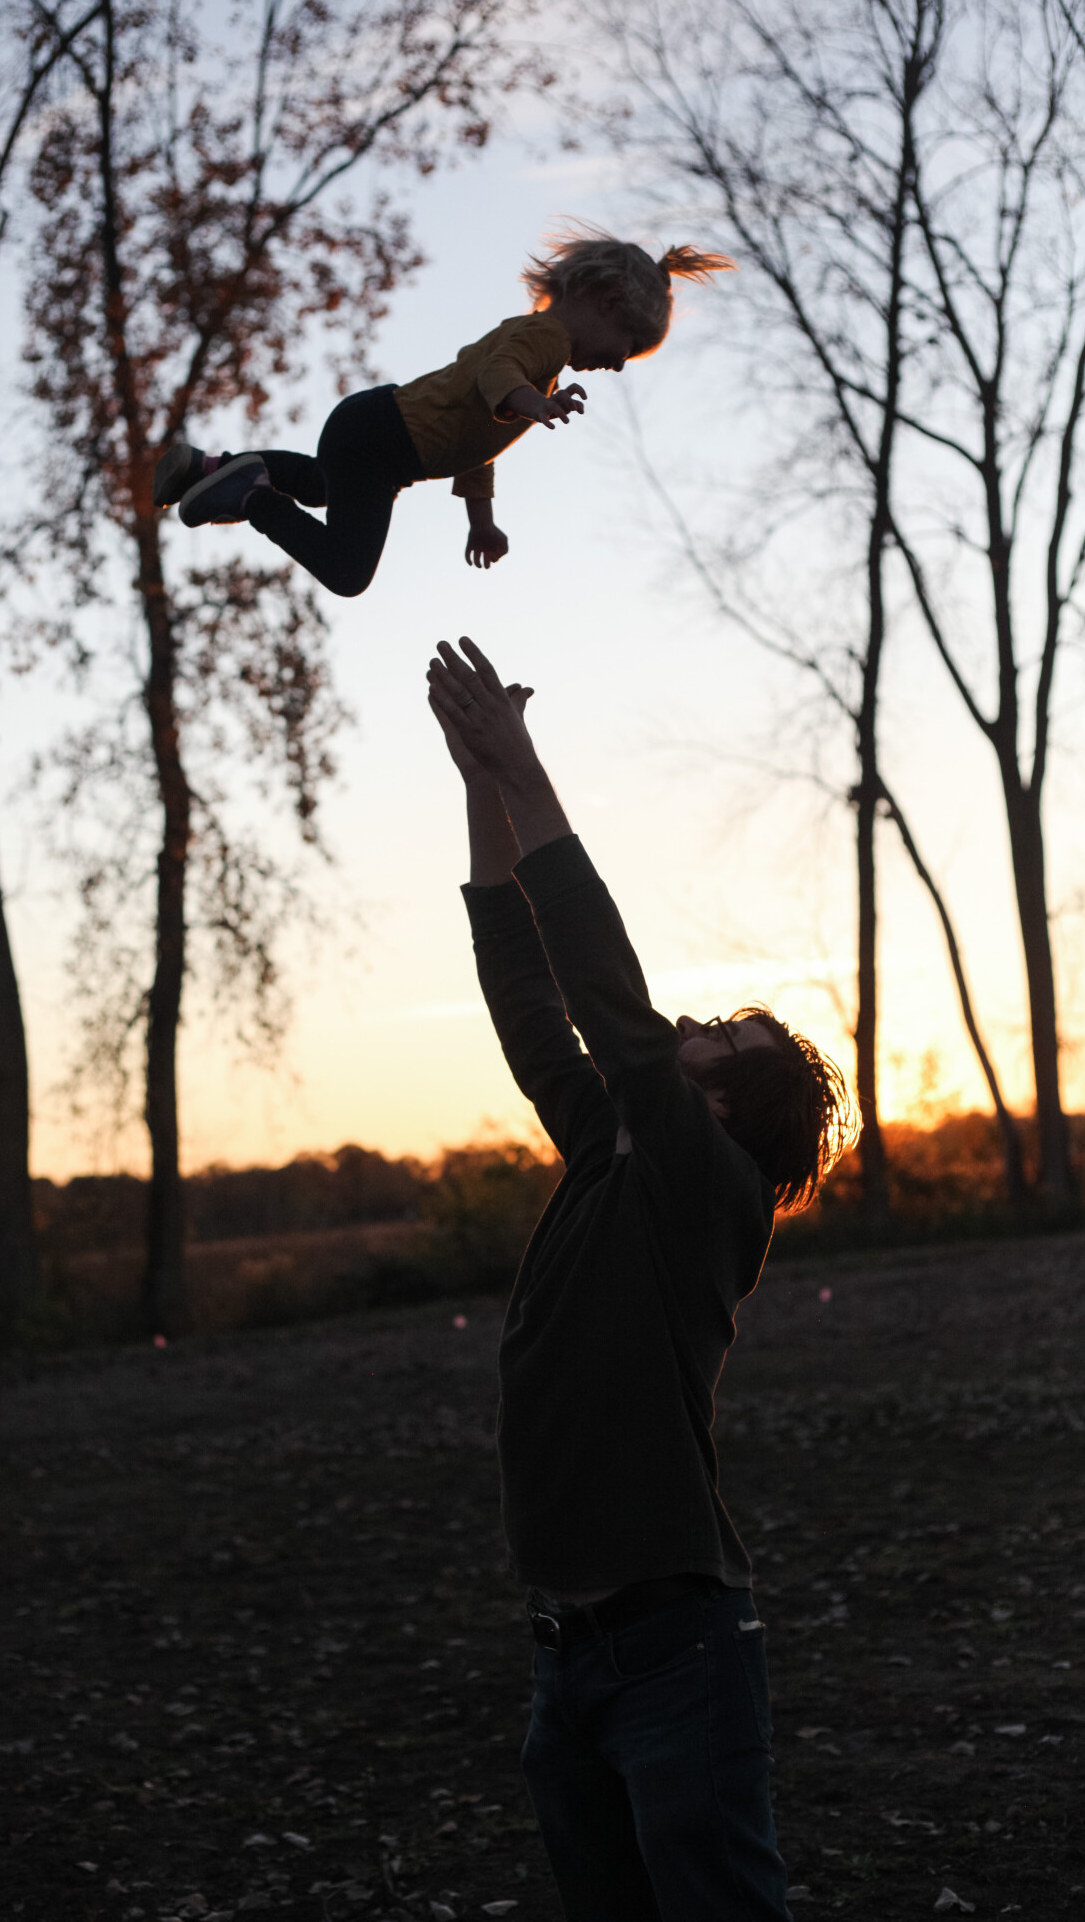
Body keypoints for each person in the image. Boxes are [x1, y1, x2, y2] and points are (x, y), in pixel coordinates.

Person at [425, 636, 856, 1922]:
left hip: (677, 1656)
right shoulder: (617, 1151)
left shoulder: (706, 1188)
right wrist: (478, 784)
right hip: (569, 1656)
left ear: (726, 1111)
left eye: (714, 1039)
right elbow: (525, 988)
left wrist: (528, 764)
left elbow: (604, 984)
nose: (684, 1027)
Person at [153, 228, 732, 598]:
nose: (622, 365)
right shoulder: (543, 339)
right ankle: (251, 496)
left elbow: (477, 442)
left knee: (320, 484)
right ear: (609, 304)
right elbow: (494, 380)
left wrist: (480, 520)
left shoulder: (544, 357)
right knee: (348, 571)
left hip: (369, 428)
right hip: (382, 443)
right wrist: (537, 403)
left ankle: (207, 469)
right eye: (628, 348)